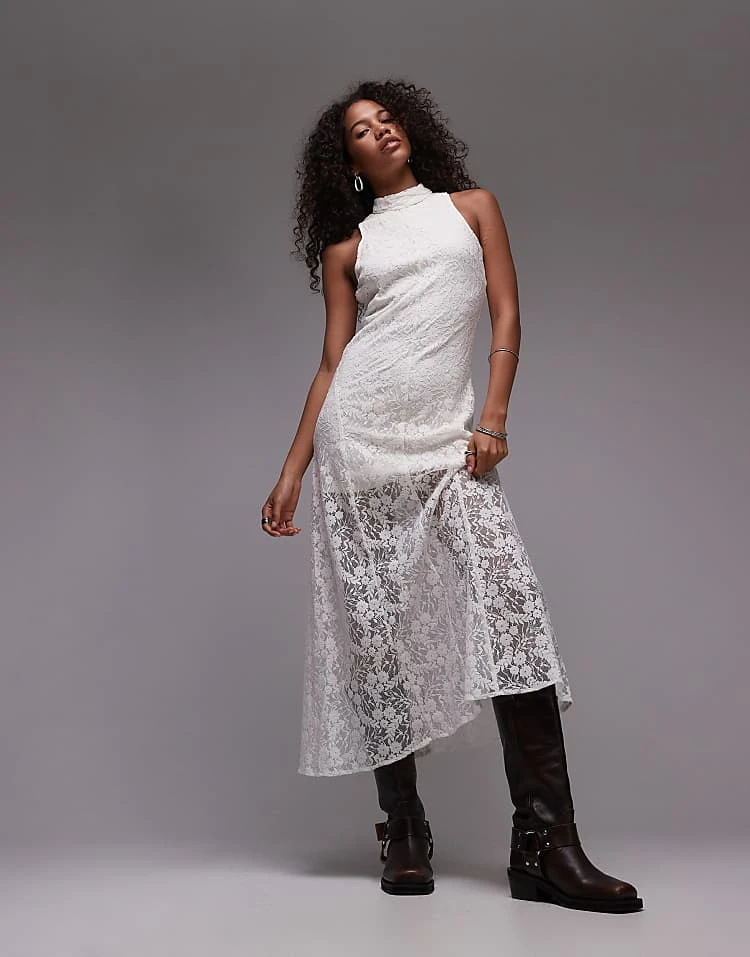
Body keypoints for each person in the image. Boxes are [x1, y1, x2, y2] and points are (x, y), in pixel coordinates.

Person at [261, 78, 643, 913]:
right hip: (359, 446)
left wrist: (493, 416)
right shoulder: (349, 246)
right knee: (378, 639)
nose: (381, 131)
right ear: (347, 162)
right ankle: (402, 828)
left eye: (387, 118)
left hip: (447, 444)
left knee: (511, 617)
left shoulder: (471, 208)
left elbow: (506, 315)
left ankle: (546, 844)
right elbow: (333, 363)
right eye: (361, 130)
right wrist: (294, 468)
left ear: (411, 129)